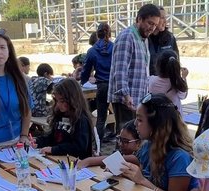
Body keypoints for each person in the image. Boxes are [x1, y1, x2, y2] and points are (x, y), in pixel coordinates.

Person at [120, 94, 198, 191]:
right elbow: (144, 178)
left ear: (156, 124)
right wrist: (125, 173)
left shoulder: (180, 157)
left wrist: (141, 180)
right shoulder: (148, 146)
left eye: (140, 120)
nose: (135, 123)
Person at [108, 4, 161, 134]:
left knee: (134, 138)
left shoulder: (143, 40)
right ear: (139, 19)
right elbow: (120, 70)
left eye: (155, 25)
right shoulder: (127, 36)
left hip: (137, 99)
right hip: (126, 100)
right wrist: (126, 95)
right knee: (126, 137)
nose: (152, 28)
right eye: (150, 23)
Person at [33, 78, 94, 159]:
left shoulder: (81, 119)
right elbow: (52, 138)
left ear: (73, 100)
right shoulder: (59, 115)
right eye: (57, 101)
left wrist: (53, 150)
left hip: (76, 163)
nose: (58, 105)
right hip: (58, 159)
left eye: (62, 101)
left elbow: (79, 147)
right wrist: (37, 141)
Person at [81, 22, 114, 141]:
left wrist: (84, 81)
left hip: (102, 86)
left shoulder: (92, 51)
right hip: (115, 84)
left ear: (97, 34)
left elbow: (86, 70)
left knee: (101, 117)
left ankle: (98, 144)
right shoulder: (115, 47)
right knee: (118, 115)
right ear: (109, 34)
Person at [148, 50, 188, 117]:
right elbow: (183, 96)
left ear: (158, 65)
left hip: (157, 119)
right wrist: (184, 78)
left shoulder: (151, 80)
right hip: (175, 120)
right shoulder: (177, 82)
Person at [148, 6, 179, 76]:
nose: (165, 21)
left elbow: (176, 62)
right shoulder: (144, 38)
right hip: (149, 83)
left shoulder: (170, 38)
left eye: (165, 17)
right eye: (162, 18)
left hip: (166, 83)